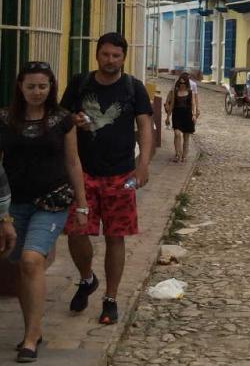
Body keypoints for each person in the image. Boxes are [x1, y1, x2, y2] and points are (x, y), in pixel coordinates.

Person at [61, 32, 153, 325]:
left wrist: (143, 165)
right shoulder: (79, 84)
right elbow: (61, 119)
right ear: (97, 55)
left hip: (121, 174)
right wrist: (73, 121)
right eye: (105, 54)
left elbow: (145, 127)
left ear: (123, 58)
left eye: (116, 55)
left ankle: (110, 299)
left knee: (116, 237)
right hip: (82, 174)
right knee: (76, 233)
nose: (110, 60)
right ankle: (87, 278)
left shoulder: (133, 88)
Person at [0, 62, 89, 362]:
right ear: (20, 88)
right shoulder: (5, 119)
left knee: (30, 259)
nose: (37, 92)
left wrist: (82, 204)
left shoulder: (62, 120)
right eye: (31, 86)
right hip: (13, 205)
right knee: (23, 267)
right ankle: (33, 330)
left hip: (52, 201)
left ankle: (29, 338)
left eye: (43, 86)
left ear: (51, 87)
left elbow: (73, 162)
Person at [164, 73, 197, 163]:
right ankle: (178, 154)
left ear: (187, 84)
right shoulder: (176, 92)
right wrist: (167, 117)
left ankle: (184, 156)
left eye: (184, 83)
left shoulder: (190, 92)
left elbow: (193, 104)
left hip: (187, 116)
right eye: (180, 83)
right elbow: (172, 105)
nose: (182, 85)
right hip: (177, 115)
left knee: (186, 138)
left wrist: (194, 114)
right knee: (177, 134)